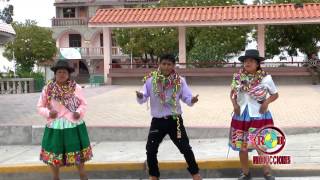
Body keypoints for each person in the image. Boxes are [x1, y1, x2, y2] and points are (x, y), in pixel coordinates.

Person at [136, 54, 202, 180]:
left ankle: (196, 175)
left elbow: (186, 97)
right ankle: (153, 176)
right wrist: (140, 96)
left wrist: (192, 100)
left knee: (185, 148)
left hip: (175, 120)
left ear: (173, 66)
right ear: (159, 64)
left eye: (169, 64)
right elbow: (144, 96)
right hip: (157, 121)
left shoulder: (180, 81)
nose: (166, 67)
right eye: (164, 64)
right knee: (150, 149)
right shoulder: (151, 80)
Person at [37, 60, 92, 180]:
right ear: (55, 73)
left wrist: (78, 112)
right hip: (55, 125)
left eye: (64, 72)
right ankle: (55, 177)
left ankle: (83, 176)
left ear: (68, 74)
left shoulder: (75, 88)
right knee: (54, 155)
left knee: (78, 154)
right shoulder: (48, 89)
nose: (62, 74)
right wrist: (48, 113)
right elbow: (40, 107)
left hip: (73, 124)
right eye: (59, 72)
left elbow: (83, 104)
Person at [229, 49, 279, 180]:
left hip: (259, 115)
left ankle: (267, 172)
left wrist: (266, 102)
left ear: (258, 64)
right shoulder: (237, 77)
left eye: (251, 61)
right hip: (241, 116)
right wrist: (234, 105)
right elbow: (233, 93)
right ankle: (245, 173)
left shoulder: (266, 78)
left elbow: (275, 94)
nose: (247, 63)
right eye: (245, 61)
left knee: (261, 146)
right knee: (242, 147)